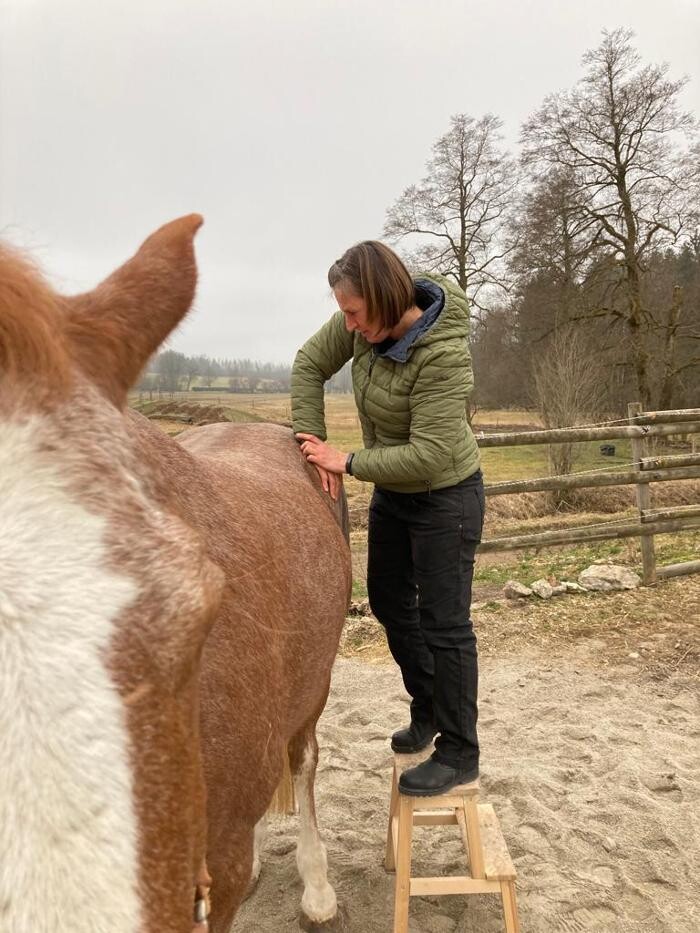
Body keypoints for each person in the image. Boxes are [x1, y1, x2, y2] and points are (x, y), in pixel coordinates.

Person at [291, 241, 484, 796]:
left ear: (381, 296)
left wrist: (346, 461)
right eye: (342, 312)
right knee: (389, 602)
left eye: (353, 312)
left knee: (445, 625)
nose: (347, 324)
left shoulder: (443, 353)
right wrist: (311, 439)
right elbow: (309, 364)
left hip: (445, 496)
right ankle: (428, 710)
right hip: (395, 494)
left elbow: (428, 452)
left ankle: (459, 751)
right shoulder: (360, 324)